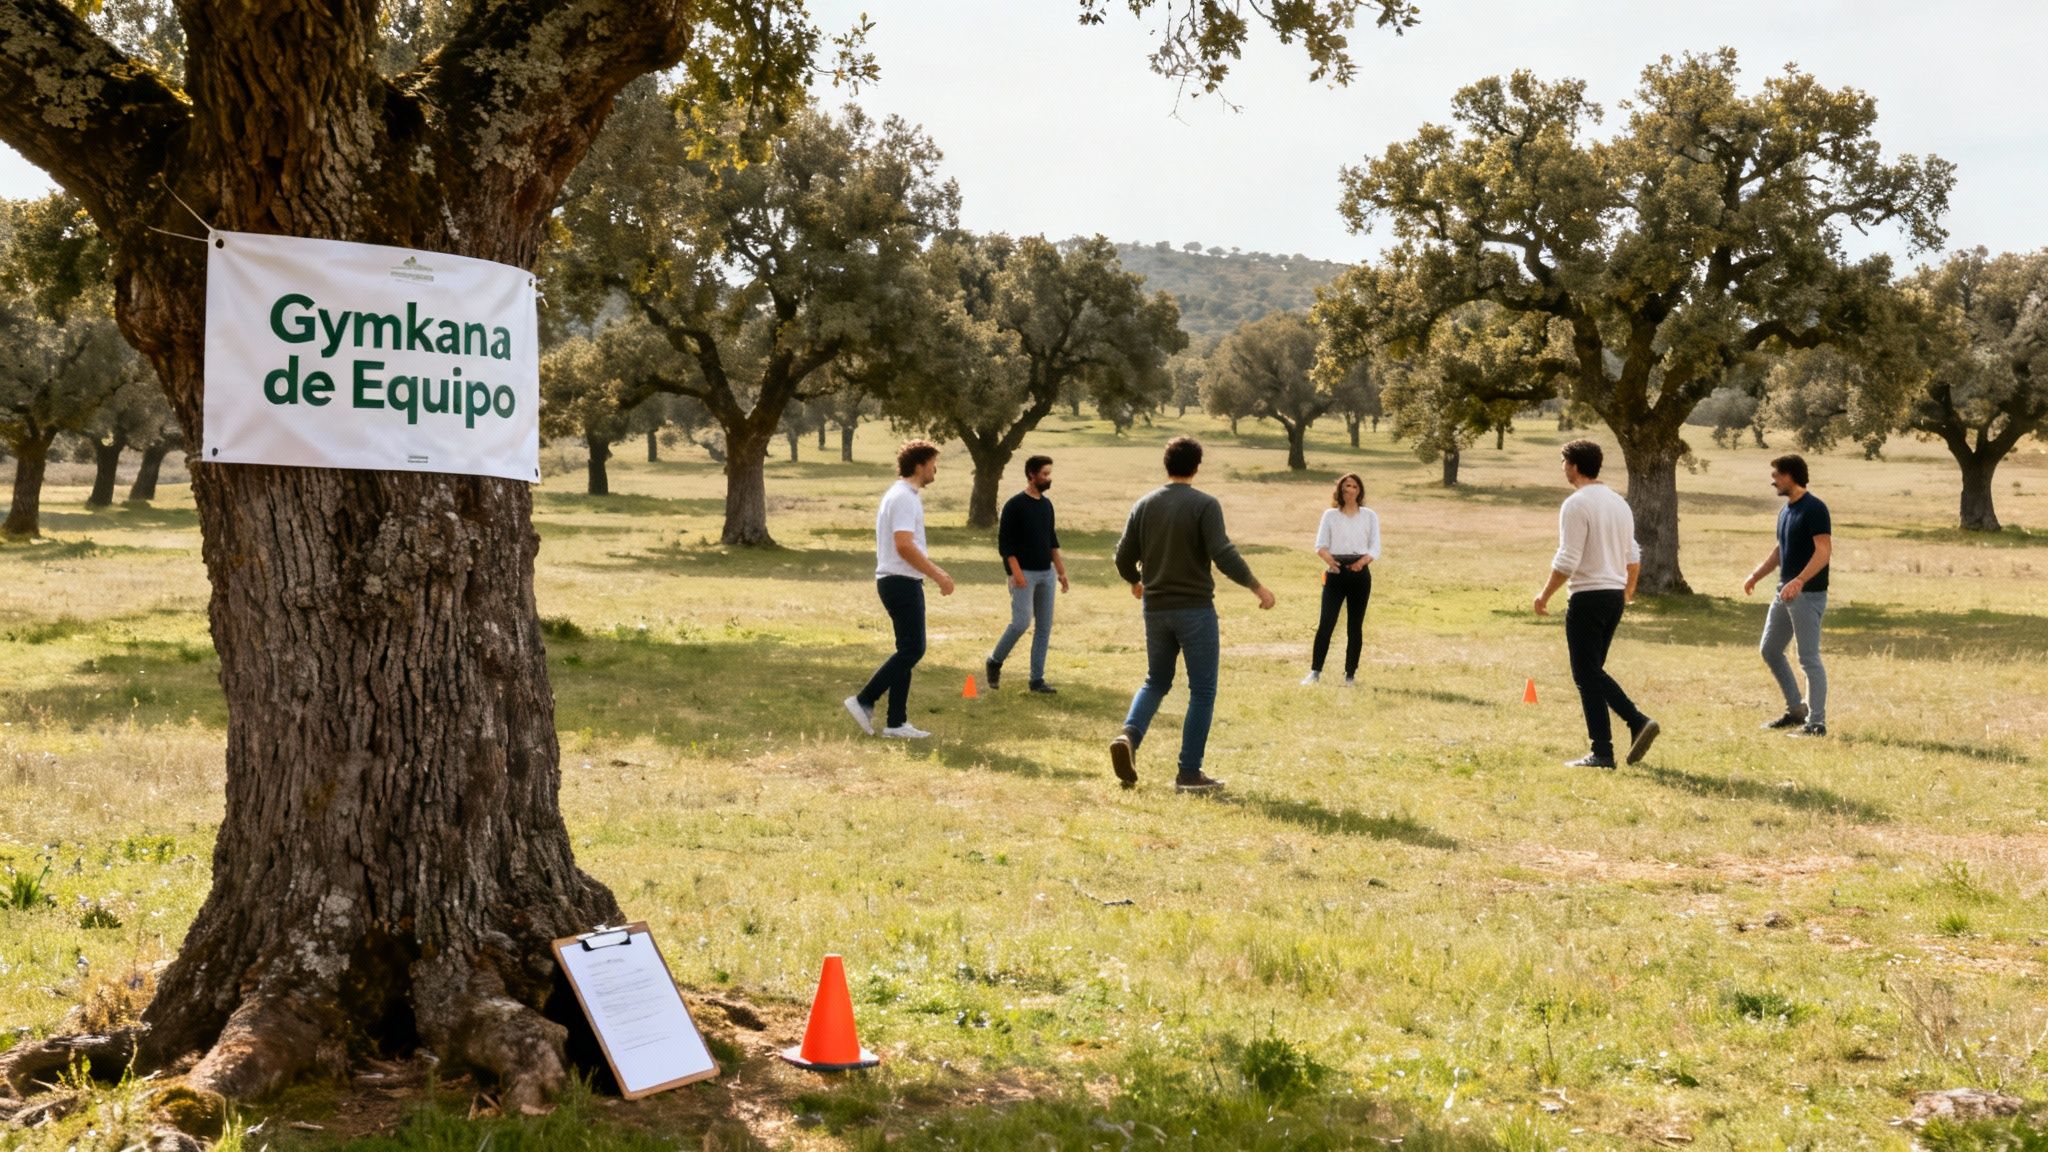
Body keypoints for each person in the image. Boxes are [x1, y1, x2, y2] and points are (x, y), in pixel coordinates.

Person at [1108, 436, 1275, 793]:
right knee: (1202, 690)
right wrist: (1257, 587)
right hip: (1195, 610)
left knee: (1156, 680)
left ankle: (1128, 736)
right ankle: (1188, 773)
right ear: (1196, 466)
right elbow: (1223, 553)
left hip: (1156, 609)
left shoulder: (1145, 504)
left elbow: (1122, 556)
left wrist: (1136, 581)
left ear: (1166, 464)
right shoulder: (1204, 504)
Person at [1533, 439, 1659, 769]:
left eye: (1563, 462)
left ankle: (1633, 723)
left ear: (1574, 465)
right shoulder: (1619, 503)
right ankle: (1602, 750)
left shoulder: (1576, 504)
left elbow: (1568, 559)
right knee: (1591, 674)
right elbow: (1633, 556)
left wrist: (1544, 595)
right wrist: (1626, 592)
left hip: (1588, 596)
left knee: (1586, 672)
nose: (1563, 468)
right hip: (1612, 596)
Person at [846, 440, 954, 739]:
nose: (936, 470)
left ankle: (896, 723)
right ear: (920, 465)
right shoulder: (904, 497)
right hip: (900, 581)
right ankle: (864, 699)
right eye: (934, 464)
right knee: (913, 649)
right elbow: (904, 544)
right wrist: (938, 574)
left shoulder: (901, 494)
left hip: (897, 580)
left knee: (905, 650)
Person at [1744, 454, 1832, 737]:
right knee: (1770, 649)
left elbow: (1824, 551)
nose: (1773, 480)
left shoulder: (1815, 508)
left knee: (1808, 659)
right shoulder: (1786, 511)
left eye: (1777, 474)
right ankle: (1796, 710)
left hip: (1807, 595)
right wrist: (1756, 575)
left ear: (1791, 475)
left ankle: (1816, 724)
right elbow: (1780, 550)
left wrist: (1800, 581)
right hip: (1785, 593)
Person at [985, 455, 1069, 694]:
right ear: (1031, 474)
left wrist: (1061, 573)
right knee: (1021, 622)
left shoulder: (1047, 505)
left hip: (1047, 574)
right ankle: (995, 660)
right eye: (1044, 474)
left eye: (1049, 474)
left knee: (1044, 627)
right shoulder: (1014, 506)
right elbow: (1006, 545)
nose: (1048, 479)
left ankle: (1036, 680)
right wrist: (1016, 573)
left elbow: (1052, 542)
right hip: (1024, 574)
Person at [1303, 472, 1380, 686]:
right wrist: (1332, 563)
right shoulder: (1330, 515)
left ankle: (1350, 675)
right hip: (1335, 571)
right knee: (1326, 623)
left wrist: (1362, 562)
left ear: (1360, 490)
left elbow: (1375, 546)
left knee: (1354, 626)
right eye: (1346, 486)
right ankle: (1315, 672)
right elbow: (1320, 545)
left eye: (1354, 486)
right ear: (1340, 490)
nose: (1350, 491)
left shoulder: (1369, 516)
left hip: (1360, 572)